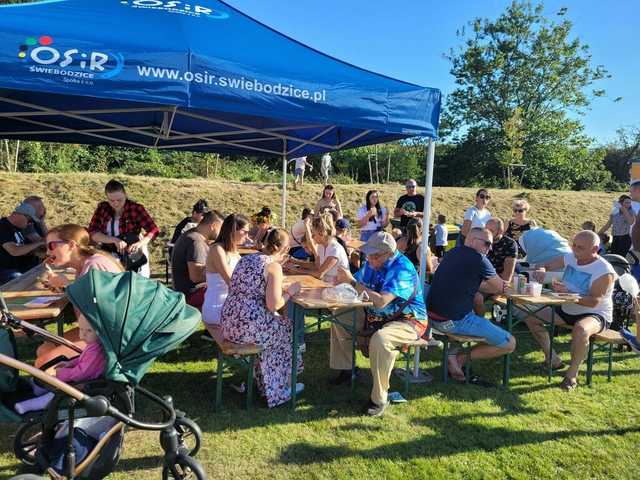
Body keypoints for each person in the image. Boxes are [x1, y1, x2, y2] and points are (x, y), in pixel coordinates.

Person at [333, 232, 428, 417]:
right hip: (377, 317)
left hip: (409, 320)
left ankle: (378, 399)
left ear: (388, 254)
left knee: (381, 339)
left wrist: (351, 282)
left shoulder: (403, 269)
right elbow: (357, 285)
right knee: (340, 315)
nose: (369, 259)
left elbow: (382, 301)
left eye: (374, 255)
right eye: (368, 254)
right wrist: (341, 284)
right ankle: (347, 369)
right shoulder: (371, 263)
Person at [220, 229, 303, 408]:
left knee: (279, 327)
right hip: (248, 326)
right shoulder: (273, 266)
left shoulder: (246, 259)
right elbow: (274, 305)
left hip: (229, 321)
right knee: (287, 330)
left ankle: (265, 382)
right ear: (284, 249)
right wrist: (290, 291)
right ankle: (279, 388)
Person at [524, 230, 615, 390]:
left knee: (581, 330)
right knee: (531, 318)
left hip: (595, 314)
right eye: (574, 245)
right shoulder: (572, 256)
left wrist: (571, 295)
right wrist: (542, 270)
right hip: (568, 307)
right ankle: (552, 359)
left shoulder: (604, 271)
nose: (574, 250)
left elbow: (594, 301)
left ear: (594, 249)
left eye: (580, 248)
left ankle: (571, 375)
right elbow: (546, 264)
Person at [427, 227, 516, 382]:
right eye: (487, 244)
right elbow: (499, 287)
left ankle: (455, 355)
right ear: (473, 241)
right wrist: (510, 285)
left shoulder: (453, 253)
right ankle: (458, 359)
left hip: (433, 319)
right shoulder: (479, 259)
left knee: (475, 312)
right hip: (455, 321)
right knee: (509, 343)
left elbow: (478, 285)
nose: (490, 248)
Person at [35, 224, 126, 367]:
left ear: (71, 245)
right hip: (95, 331)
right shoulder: (85, 265)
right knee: (44, 349)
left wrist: (67, 286)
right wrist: (64, 288)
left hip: (108, 336)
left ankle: (84, 385)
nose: (48, 251)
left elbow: (104, 310)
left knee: (45, 362)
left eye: (51, 245)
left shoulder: (96, 265)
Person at [15, 310, 106, 414]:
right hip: (80, 377)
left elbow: (82, 373)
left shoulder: (96, 351)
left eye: (89, 331)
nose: (83, 334)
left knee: (59, 391)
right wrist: (70, 364)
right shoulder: (93, 345)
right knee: (52, 379)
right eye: (81, 329)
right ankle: (37, 388)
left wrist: (63, 373)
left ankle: (33, 404)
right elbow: (82, 358)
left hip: (85, 383)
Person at [88, 179, 159, 278]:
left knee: (137, 279)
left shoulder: (136, 208)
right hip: (109, 252)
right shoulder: (102, 208)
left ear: (125, 195)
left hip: (133, 252)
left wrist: (140, 244)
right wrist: (114, 240)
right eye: (111, 200)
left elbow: (153, 230)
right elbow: (93, 232)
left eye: (119, 200)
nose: (116, 203)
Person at [171, 211, 224, 310]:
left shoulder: (192, 234)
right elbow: (196, 277)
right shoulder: (197, 241)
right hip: (192, 294)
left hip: (183, 291)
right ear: (213, 226)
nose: (221, 233)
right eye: (221, 229)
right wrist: (221, 270)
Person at [202, 214, 248, 326]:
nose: (247, 236)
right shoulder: (217, 249)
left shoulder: (233, 251)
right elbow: (232, 282)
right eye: (245, 232)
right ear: (233, 230)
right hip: (217, 308)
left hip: (229, 305)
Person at [296, 213, 349, 285]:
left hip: (339, 289)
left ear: (321, 234)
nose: (312, 237)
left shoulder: (334, 249)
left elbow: (319, 273)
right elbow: (316, 266)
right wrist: (296, 263)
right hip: (328, 285)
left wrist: (296, 270)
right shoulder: (321, 246)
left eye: (314, 235)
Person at [0, 202, 44, 285]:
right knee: (18, 278)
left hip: (20, 269)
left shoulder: (18, 229)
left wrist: (37, 252)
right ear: (21, 215)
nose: (29, 224)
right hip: (6, 271)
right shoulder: (2, 226)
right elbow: (14, 251)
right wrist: (40, 242)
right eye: (30, 220)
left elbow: (23, 249)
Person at [486, 218, 518, 282]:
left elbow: (507, 276)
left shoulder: (509, 244)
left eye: (491, 231)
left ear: (500, 231)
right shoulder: (482, 240)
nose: (487, 233)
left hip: (499, 281)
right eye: (486, 230)